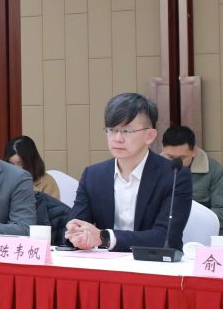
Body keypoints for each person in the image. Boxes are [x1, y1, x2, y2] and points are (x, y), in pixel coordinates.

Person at [65, 93, 191, 251]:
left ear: (149, 136)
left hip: (153, 263)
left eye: (126, 131)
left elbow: (165, 237)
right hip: (104, 263)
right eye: (112, 130)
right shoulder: (93, 175)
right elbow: (75, 226)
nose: (117, 138)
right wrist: (76, 234)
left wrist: (105, 237)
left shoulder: (174, 175)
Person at [159, 125, 223, 236]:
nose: (176, 163)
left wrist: (190, 221)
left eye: (182, 158)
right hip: (163, 232)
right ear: (162, 148)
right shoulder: (152, 169)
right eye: (170, 157)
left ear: (194, 151)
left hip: (203, 234)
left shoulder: (215, 171)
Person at [4, 135, 60, 199]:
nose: (15, 169)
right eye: (11, 164)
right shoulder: (3, 179)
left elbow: (52, 205)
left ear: (31, 162)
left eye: (20, 164)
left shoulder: (47, 183)